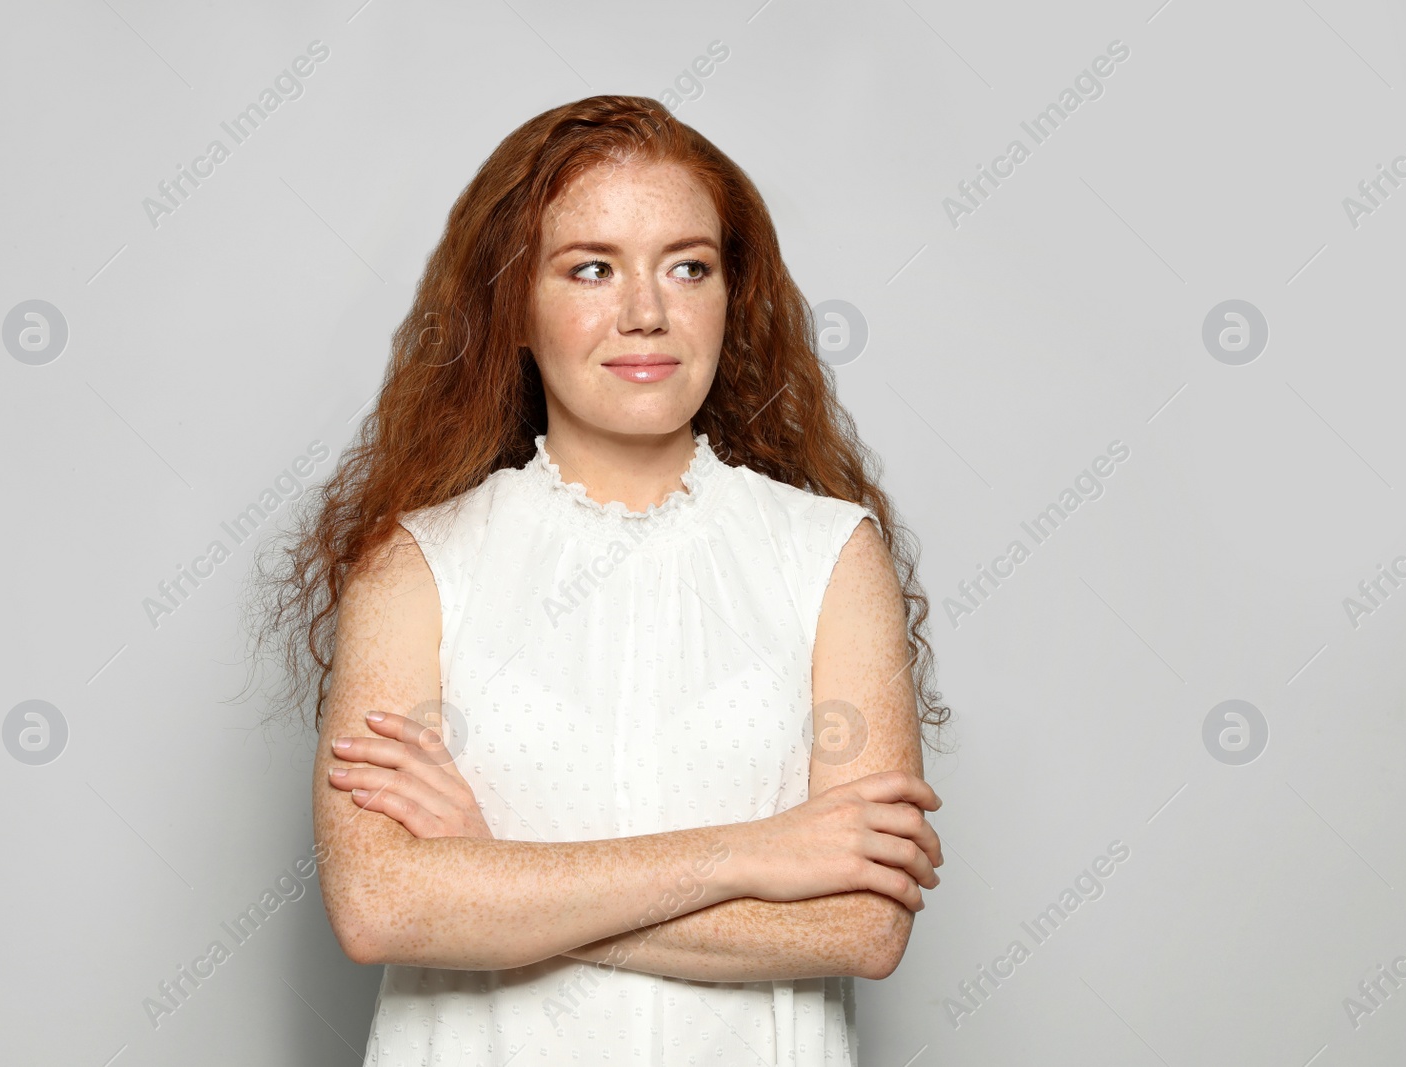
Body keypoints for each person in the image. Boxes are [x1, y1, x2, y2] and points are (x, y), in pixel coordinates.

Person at [254, 94, 952, 1065]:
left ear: (729, 297)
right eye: (590, 267)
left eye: (689, 267)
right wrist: (752, 852)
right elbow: (381, 905)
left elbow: (861, 926)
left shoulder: (830, 552)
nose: (645, 313)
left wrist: (492, 882)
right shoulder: (412, 564)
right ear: (516, 308)